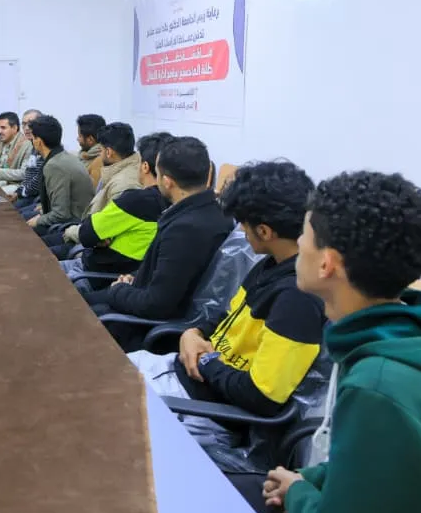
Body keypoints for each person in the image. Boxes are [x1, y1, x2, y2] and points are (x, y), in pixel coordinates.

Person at [263, 171, 421, 513]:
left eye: (304, 238)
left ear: (327, 263)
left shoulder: (378, 388)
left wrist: (298, 494)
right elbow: (383, 466)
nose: (298, 245)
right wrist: (312, 478)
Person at [128, 161, 326, 473]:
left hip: (204, 408)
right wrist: (192, 334)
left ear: (264, 230)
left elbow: (262, 397)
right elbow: (226, 317)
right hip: (184, 378)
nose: (240, 232)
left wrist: (206, 362)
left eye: (243, 225)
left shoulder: (296, 299)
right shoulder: (272, 265)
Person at [87, 136, 234, 352]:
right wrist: (135, 278)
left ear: (167, 181)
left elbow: (156, 305)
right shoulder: (212, 212)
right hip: (144, 297)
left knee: (75, 310)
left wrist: (118, 290)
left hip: (147, 328)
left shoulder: (185, 230)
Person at [60, 132, 172, 276]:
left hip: (94, 275)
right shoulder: (174, 203)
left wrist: (102, 235)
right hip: (128, 276)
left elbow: (87, 233)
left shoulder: (135, 200)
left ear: (144, 166)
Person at [53, 122, 145, 250]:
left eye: (101, 150)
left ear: (108, 152)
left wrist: (72, 232)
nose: (100, 155)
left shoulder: (124, 184)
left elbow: (106, 235)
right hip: (87, 231)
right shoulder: (119, 169)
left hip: (94, 245)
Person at [24, 115, 95, 236]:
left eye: (33, 138)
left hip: (72, 225)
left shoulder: (54, 166)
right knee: (22, 217)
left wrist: (39, 220)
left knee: (22, 228)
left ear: (39, 142)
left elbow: (61, 214)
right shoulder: (62, 156)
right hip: (72, 217)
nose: (32, 141)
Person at [75, 114, 107, 185]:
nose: (77, 139)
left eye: (80, 136)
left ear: (90, 139)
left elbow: (93, 193)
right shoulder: (85, 156)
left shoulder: (99, 163)